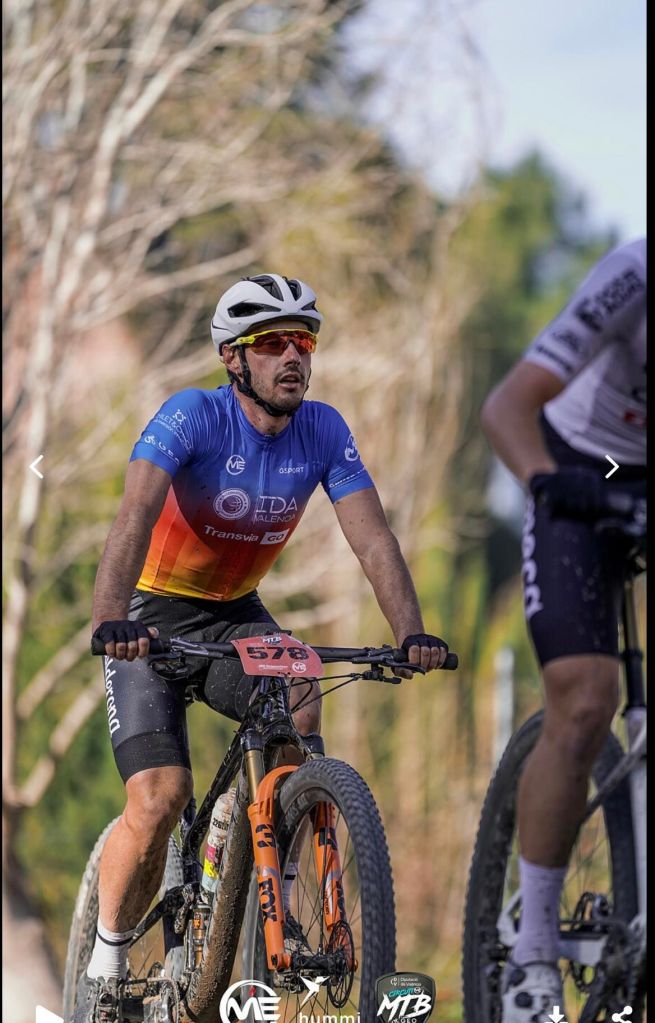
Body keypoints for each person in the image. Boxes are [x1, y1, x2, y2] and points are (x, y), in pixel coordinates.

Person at [75, 273, 449, 1020]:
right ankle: (107, 963)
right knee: (158, 798)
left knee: (300, 693)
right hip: (150, 616)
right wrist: (112, 617)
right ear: (233, 358)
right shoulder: (192, 416)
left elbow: (373, 539)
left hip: (233, 614)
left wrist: (409, 631)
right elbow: (133, 515)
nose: (293, 357)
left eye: (303, 342)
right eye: (273, 343)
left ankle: (273, 881)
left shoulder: (324, 430)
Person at [480, 237, 646, 1020]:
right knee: (583, 700)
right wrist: (547, 486)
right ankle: (534, 948)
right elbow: (506, 407)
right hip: (583, 466)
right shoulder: (634, 274)